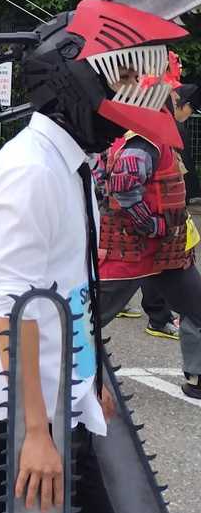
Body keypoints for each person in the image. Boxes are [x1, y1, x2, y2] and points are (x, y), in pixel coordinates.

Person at [0, 0, 188, 513]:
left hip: (58, 391)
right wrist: (35, 432)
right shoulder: (29, 172)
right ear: (77, 80)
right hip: (21, 404)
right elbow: (13, 310)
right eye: (124, 75)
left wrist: (89, 383)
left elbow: (69, 290)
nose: (138, 92)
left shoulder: (69, 163)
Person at [96, 82, 201, 397]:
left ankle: (197, 378)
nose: (184, 109)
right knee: (86, 317)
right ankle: (52, 376)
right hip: (131, 248)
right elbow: (123, 184)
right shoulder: (144, 140)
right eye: (180, 101)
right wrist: (150, 224)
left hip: (168, 251)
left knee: (197, 308)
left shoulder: (152, 137)